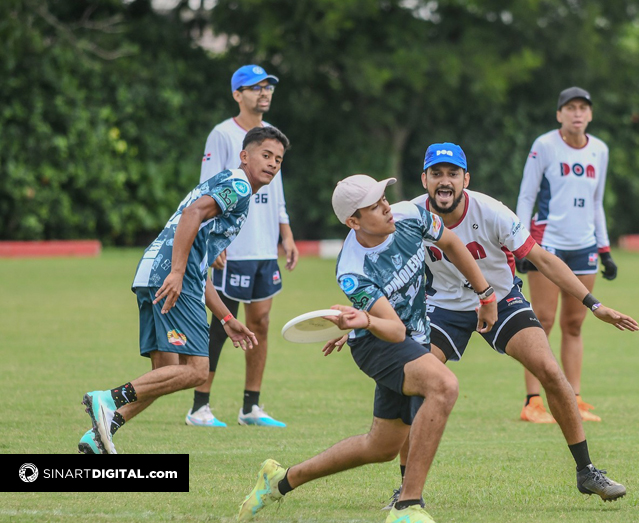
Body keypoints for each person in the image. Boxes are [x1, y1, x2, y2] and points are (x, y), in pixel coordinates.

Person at [378, 143, 636, 507]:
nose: (445, 181)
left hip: (500, 300)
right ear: (424, 180)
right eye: (436, 174)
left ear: (466, 179)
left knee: (549, 369)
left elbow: (542, 260)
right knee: (418, 386)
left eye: (453, 173)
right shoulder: (408, 213)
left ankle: (586, 471)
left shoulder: (492, 212)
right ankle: (406, 489)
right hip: (442, 307)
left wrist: (594, 304)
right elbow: (366, 231)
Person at [237, 175, 498, 523]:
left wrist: (486, 293)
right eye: (374, 206)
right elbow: (392, 330)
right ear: (353, 221)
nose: (386, 207)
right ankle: (407, 506)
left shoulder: (410, 215)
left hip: (411, 338)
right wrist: (366, 323)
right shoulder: (353, 270)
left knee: (381, 447)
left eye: (384, 198)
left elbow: (450, 241)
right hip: (380, 345)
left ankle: (279, 481)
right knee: (444, 385)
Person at [78, 126, 289, 455]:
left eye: (278, 159)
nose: (273, 163)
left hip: (152, 271)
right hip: (173, 275)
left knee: (166, 374)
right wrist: (177, 272)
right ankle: (106, 399)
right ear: (245, 156)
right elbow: (192, 216)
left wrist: (226, 317)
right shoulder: (238, 185)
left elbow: (197, 257)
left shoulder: (225, 186)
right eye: (266, 155)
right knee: (196, 371)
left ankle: (100, 433)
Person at [187, 64, 299, 428]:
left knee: (261, 323)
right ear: (237, 94)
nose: (263, 92)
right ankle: (199, 407)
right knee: (222, 323)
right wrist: (212, 239)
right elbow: (207, 191)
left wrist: (286, 234)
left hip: (265, 248)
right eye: (254, 87)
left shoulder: (271, 136)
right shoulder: (222, 134)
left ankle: (251, 407)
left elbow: (276, 190)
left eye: (268, 87)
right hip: (232, 245)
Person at [515, 86, 617, 423]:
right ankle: (534, 401)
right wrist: (518, 241)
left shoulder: (599, 150)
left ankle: (573, 398)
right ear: (559, 114)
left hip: (583, 245)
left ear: (590, 114)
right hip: (547, 245)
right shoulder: (544, 146)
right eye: (570, 107)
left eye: (583, 108)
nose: (577, 113)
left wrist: (604, 249)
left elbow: (597, 202)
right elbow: (527, 196)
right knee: (540, 322)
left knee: (574, 324)